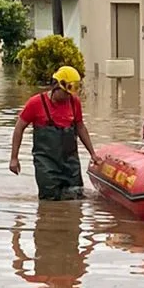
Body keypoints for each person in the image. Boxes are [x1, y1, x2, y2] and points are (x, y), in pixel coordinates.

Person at [9, 66, 98, 201]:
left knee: (77, 196)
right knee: (49, 200)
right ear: (56, 86)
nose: (68, 96)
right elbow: (19, 128)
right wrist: (14, 158)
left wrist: (93, 154)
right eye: (65, 92)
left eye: (70, 93)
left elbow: (80, 128)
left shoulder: (74, 103)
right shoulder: (36, 103)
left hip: (70, 162)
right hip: (46, 162)